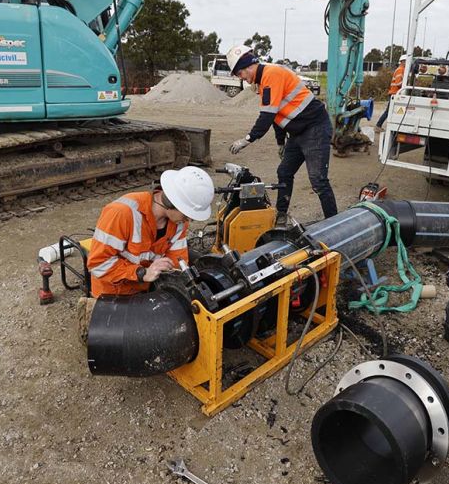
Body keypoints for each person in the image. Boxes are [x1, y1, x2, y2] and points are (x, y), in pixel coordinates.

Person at [226, 45, 337, 222]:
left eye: (239, 74)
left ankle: (334, 222)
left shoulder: (271, 74)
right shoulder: (262, 83)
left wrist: (247, 139)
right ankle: (281, 215)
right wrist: (280, 143)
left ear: (247, 66)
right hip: (298, 132)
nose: (242, 78)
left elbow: (267, 116)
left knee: (318, 180)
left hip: (315, 127)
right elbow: (277, 117)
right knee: (284, 171)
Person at [85, 166, 214, 298]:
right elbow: (98, 264)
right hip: (114, 293)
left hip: (148, 288)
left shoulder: (179, 222)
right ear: (172, 203)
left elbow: (177, 261)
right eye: (187, 213)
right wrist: (142, 273)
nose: (189, 219)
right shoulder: (122, 213)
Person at [374, 54, 407, 134]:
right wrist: (406, 85)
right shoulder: (400, 70)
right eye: (406, 61)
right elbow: (399, 83)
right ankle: (378, 126)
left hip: (395, 94)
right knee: (389, 111)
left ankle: (380, 126)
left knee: (391, 111)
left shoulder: (401, 69)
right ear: (402, 62)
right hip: (395, 94)